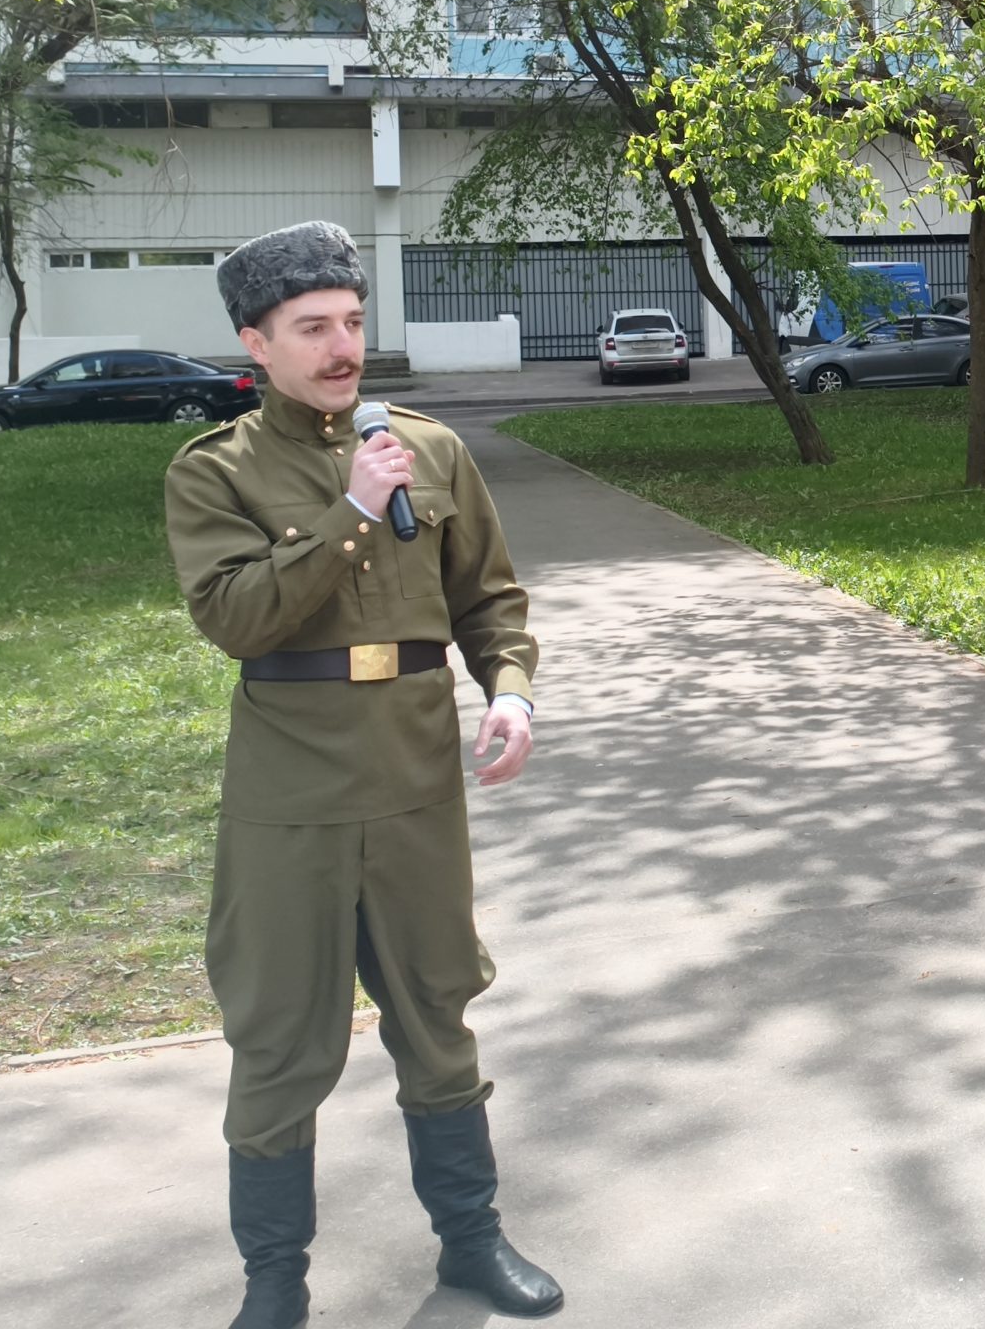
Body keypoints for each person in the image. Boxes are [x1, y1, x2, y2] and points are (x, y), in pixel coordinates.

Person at [164, 221, 563, 1327]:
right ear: (257, 343)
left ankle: (472, 1245)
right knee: (279, 1039)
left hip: (416, 783)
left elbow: (490, 599)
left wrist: (512, 689)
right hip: (291, 799)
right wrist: (347, 514)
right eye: (313, 328)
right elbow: (236, 619)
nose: (343, 347)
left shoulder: (431, 450)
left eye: (351, 321)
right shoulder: (215, 471)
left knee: (438, 1015)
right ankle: (274, 1288)